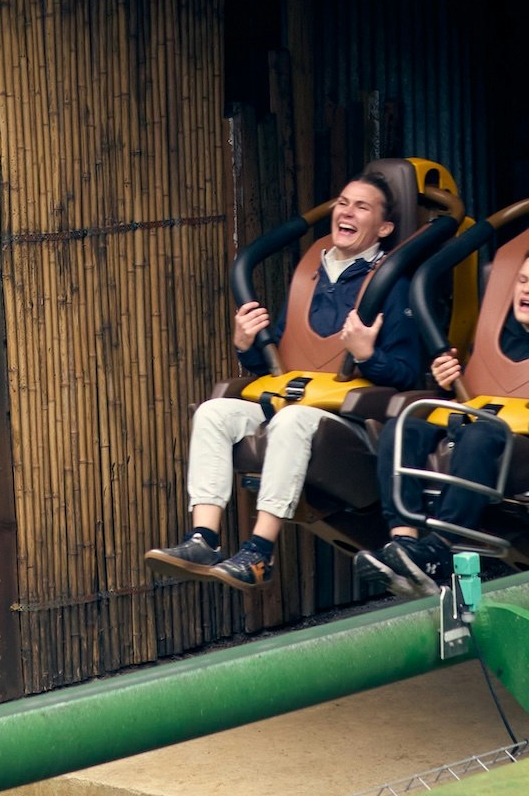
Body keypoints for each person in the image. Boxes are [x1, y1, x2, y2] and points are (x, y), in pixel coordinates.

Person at [146, 173, 422, 592]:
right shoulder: (312, 271)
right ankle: (204, 538)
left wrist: (369, 356)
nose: (346, 212)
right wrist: (246, 346)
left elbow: (408, 374)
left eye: (361, 207)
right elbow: (282, 363)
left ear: (384, 229)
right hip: (295, 401)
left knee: (291, 421)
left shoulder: (393, 284)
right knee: (213, 412)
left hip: (353, 421)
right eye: (343, 202)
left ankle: (260, 551)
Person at [357, 227, 529, 599]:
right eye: (523, 280)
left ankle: (442, 546)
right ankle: (405, 543)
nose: (526, 289)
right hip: (471, 427)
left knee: (479, 433)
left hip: (527, 446)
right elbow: (469, 389)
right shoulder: (494, 336)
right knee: (402, 429)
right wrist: (445, 379)